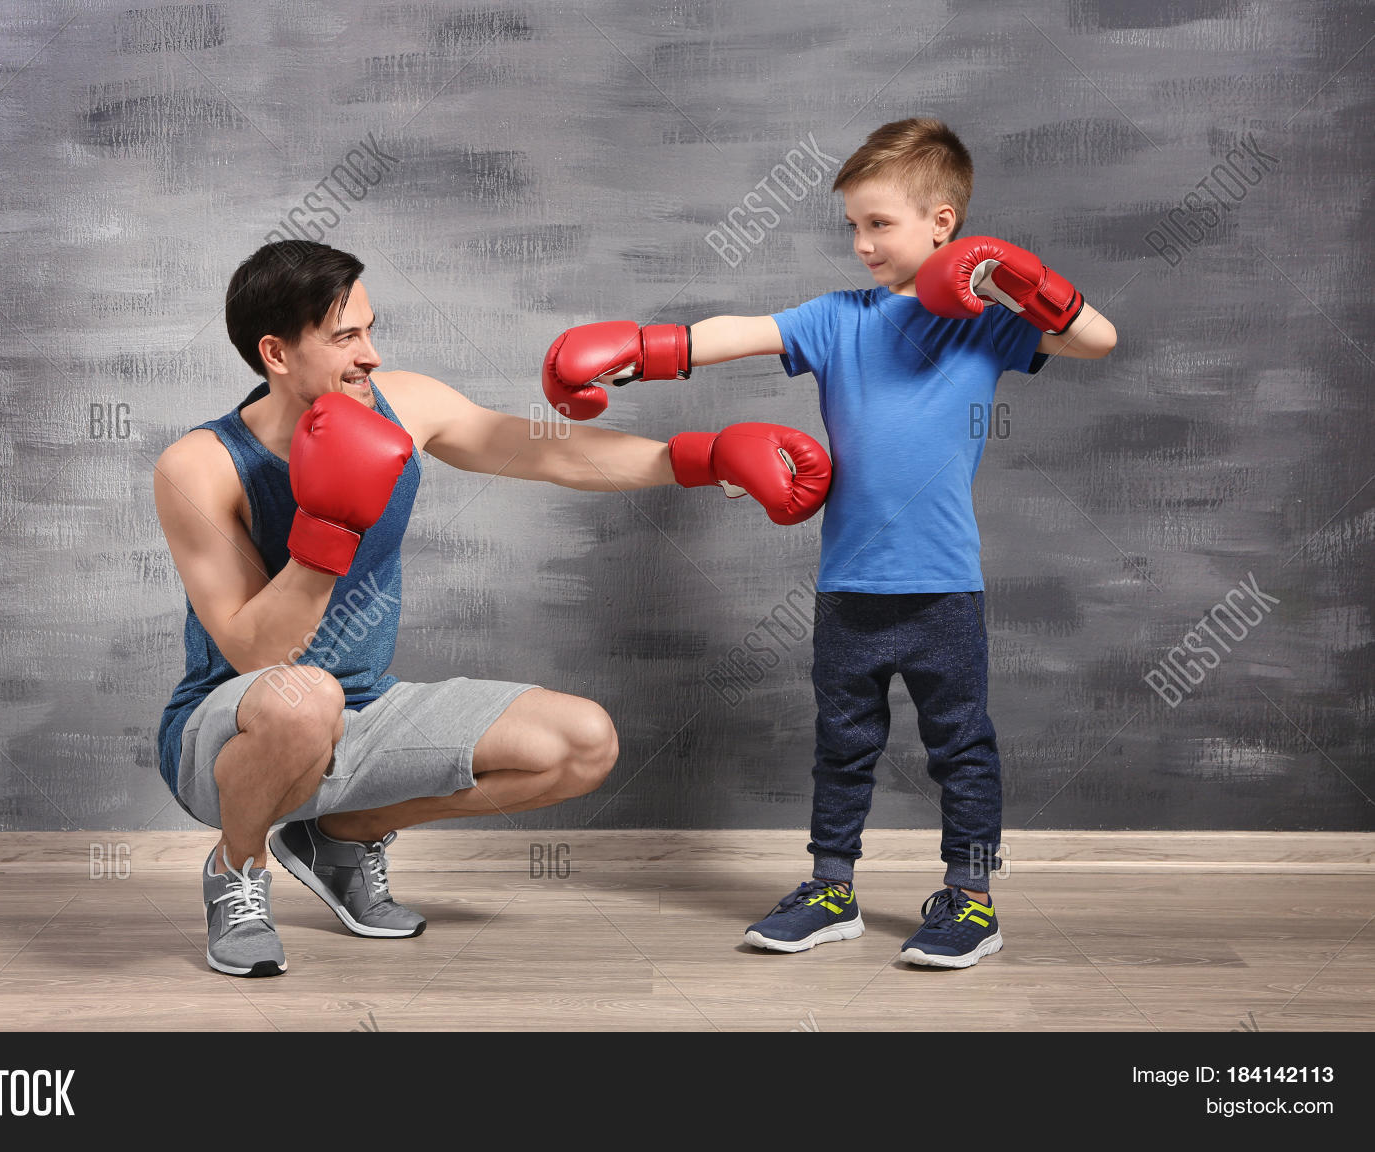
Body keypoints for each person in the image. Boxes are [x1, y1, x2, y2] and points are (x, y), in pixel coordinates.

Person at [153, 240, 832, 977]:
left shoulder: (403, 406)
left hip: (361, 709)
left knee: (582, 741)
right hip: (230, 730)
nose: (370, 356)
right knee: (302, 697)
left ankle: (340, 836)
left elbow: (540, 449)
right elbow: (258, 654)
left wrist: (695, 460)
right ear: (276, 354)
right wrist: (326, 531)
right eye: (346, 337)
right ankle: (237, 867)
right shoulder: (201, 464)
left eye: (371, 330)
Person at [541, 117, 1117, 968]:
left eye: (878, 224)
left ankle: (972, 898)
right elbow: (745, 329)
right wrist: (640, 351)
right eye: (852, 225)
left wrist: (1025, 285)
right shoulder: (839, 318)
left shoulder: (984, 327)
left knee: (961, 745)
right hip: (849, 586)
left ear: (943, 223)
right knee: (843, 744)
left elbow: (1096, 340)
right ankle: (832, 888)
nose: (860, 244)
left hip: (944, 586)